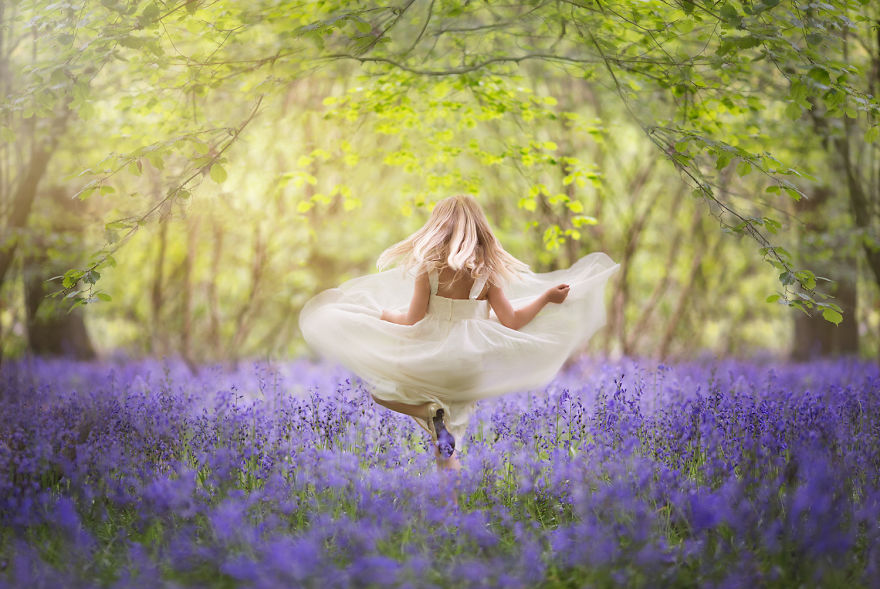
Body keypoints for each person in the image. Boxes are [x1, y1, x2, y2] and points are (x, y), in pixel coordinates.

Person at [299, 194, 620, 475]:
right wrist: (546, 297)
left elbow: (412, 319)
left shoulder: (430, 268)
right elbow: (510, 321)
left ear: (438, 228)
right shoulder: (488, 273)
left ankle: (429, 411)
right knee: (449, 443)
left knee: (380, 391)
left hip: (433, 354)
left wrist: (377, 313)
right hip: (471, 361)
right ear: (481, 230)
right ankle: (450, 512)